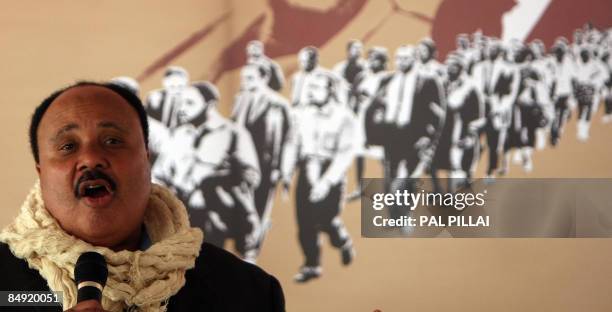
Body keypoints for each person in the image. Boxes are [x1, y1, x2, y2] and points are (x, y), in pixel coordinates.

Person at [0, 81, 285, 311]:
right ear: (41, 171)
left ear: (146, 159)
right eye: (67, 146)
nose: (90, 158)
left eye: (112, 141)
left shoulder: (247, 293)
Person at [153, 81, 262, 263]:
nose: (181, 108)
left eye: (189, 103)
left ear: (209, 106)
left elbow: (252, 176)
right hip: (183, 223)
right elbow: (159, 174)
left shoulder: (234, 134)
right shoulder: (180, 135)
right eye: (180, 103)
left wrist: (216, 177)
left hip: (219, 219)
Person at [282, 72, 358, 283]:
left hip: (329, 171)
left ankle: (342, 241)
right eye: (309, 87)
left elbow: (344, 155)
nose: (310, 91)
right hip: (307, 169)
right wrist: (287, 173)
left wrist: (326, 182)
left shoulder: (344, 117)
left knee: (325, 220)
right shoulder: (303, 114)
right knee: (305, 223)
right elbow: (293, 144)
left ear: (330, 90)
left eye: (316, 87)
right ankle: (312, 264)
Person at [232, 64, 292, 256]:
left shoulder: (278, 104)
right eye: (244, 78)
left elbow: (284, 140)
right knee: (244, 206)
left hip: (266, 165)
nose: (245, 82)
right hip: (243, 165)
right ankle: (247, 242)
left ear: (264, 77)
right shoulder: (240, 99)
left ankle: (253, 249)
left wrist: (281, 168)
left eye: (250, 77)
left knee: (261, 206)